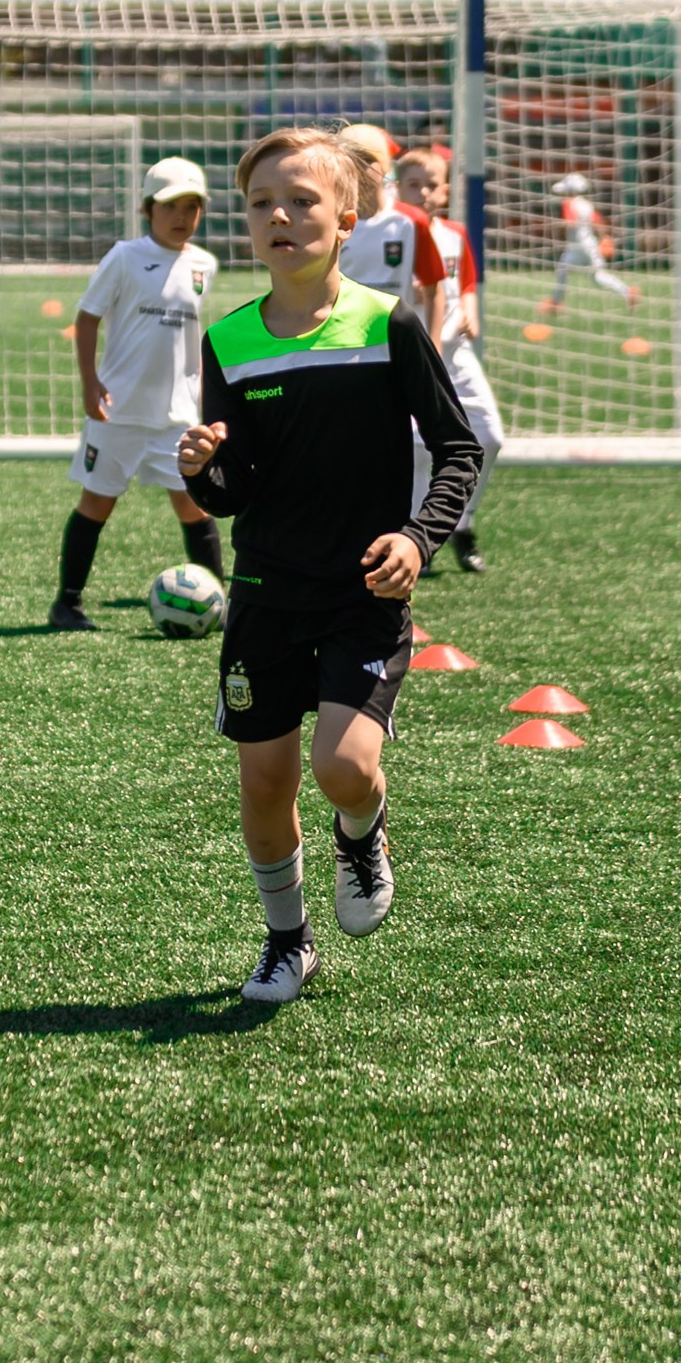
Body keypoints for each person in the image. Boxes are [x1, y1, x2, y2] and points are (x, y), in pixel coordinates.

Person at [178, 127, 482, 1003]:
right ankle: (287, 942)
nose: (281, 215)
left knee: (341, 767)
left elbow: (457, 449)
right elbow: (235, 492)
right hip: (266, 592)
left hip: (362, 588)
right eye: (263, 202)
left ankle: (363, 831)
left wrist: (418, 537)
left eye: (303, 200)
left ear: (347, 216)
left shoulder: (388, 323)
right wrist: (204, 468)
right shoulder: (229, 340)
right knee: (264, 784)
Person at [48, 156, 224, 632]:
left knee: (194, 505)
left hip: (177, 417)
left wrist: (206, 406)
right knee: (97, 503)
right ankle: (67, 603)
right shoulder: (124, 257)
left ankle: (220, 603)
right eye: (171, 206)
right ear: (148, 209)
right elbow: (87, 318)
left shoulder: (204, 265)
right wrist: (90, 383)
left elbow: (192, 342)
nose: (182, 217)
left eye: (192, 206)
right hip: (118, 412)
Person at [397, 147, 505, 575]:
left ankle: (463, 522)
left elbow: (468, 280)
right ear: (397, 188)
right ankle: (418, 536)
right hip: (412, 356)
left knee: (490, 436)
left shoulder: (454, 234)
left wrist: (472, 311)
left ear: (444, 190)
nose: (423, 192)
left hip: (455, 354)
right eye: (413, 184)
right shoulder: (393, 232)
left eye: (431, 184)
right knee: (418, 448)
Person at [337, 122, 447, 350]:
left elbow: (433, 288)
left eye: (366, 160)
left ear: (384, 166)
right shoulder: (331, 221)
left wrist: (434, 343)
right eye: (350, 160)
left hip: (396, 340)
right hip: (343, 339)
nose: (357, 168)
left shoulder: (411, 221)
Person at [544, 173, 640, 314]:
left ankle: (556, 304)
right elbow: (599, 222)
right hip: (590, 244)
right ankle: (628, 292)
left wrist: (556, 225)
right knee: (598, 276)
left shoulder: (569, 203)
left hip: (578, 246)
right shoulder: (586, 204)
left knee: (562, 270)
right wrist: (605, 238)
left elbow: (571, 223)